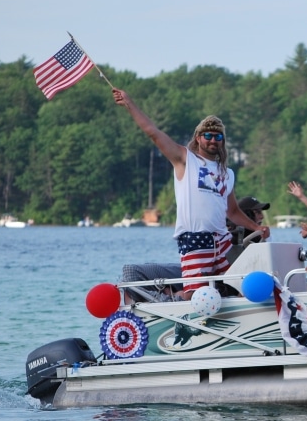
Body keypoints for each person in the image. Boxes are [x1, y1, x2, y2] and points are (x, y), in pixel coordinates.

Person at [113, 88, 269, 299]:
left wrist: (257, 228)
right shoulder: (185, 159)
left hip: (222, 240)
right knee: (195, 294)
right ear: (198, 138)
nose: (213, 140)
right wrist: (129, 104)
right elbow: (153, 132)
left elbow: (232, 211)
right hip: (195, 238)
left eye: (218, 136)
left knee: (240, 285)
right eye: (208, 135)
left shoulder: (227, 173)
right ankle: (170, 300)